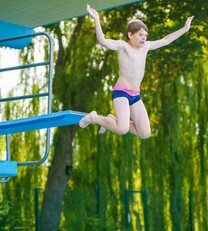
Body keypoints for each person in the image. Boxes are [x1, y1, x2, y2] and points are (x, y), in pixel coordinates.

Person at [80, 5, 194, 139]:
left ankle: (112, 121)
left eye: (145, 35)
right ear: (130, 34)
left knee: (144, 133)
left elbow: (166, 40)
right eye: (140, 35)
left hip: (135, 95)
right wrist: (97, 20)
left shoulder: (146, 47)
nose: (144, 38)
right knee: (122, 129)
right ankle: (94, 118)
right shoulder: (123, 46)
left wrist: (185, 29)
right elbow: (103, 41)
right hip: (121, 92)